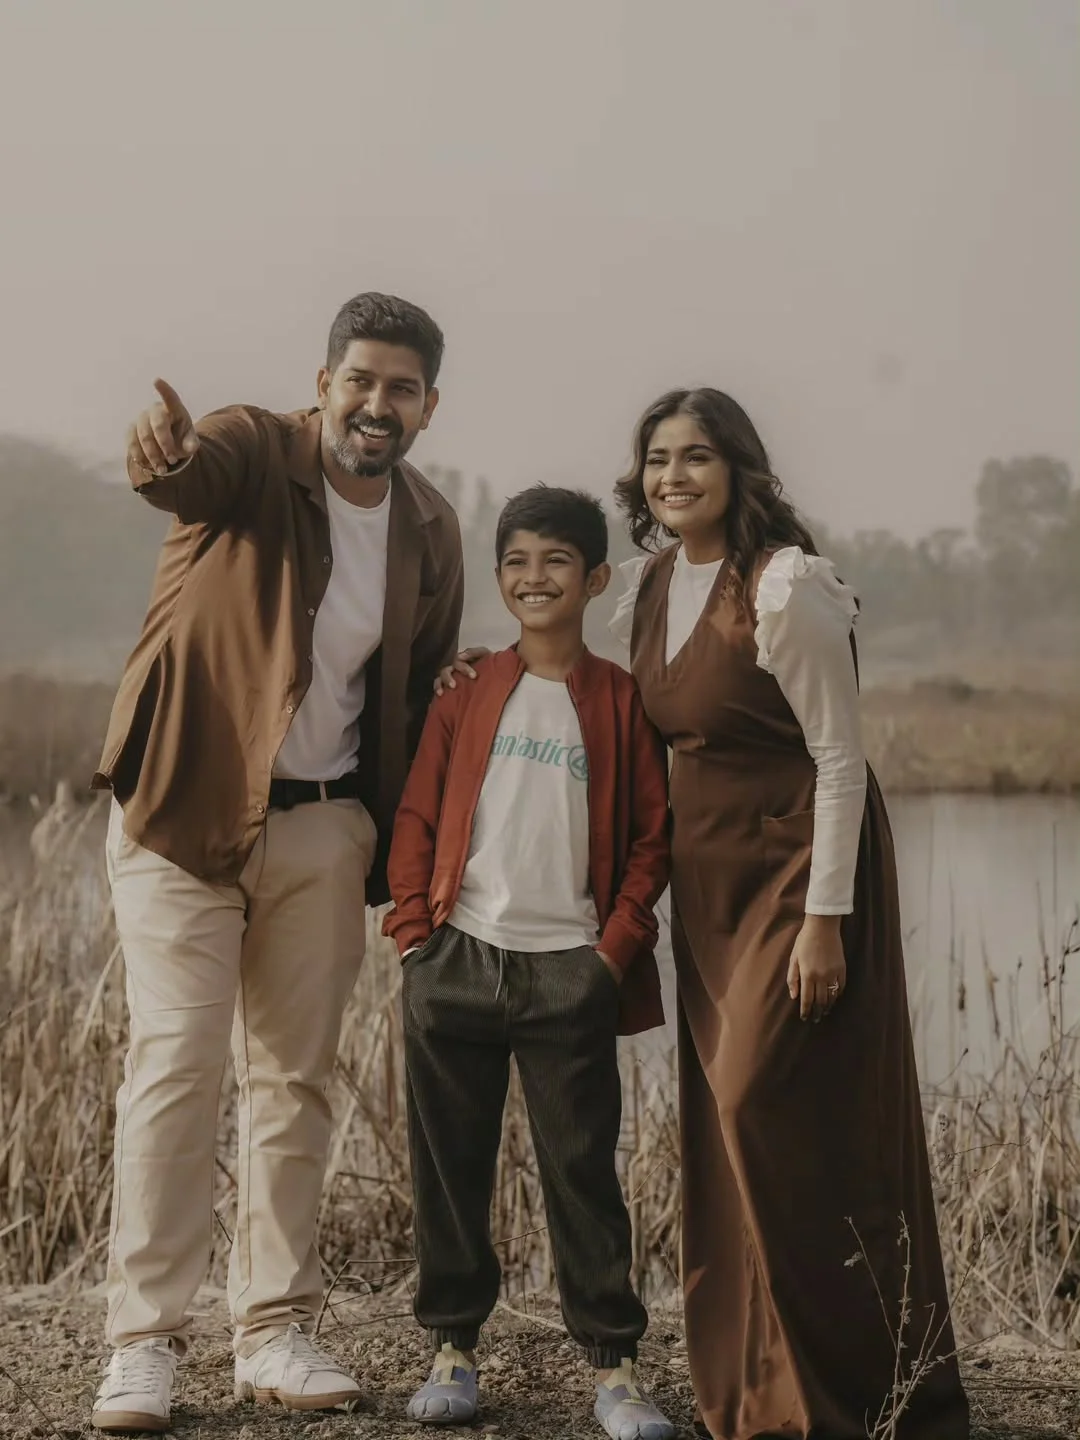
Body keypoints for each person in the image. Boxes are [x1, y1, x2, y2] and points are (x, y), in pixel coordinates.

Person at [89, 293, 464, 1434]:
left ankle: (273, 1331)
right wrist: (160, 450)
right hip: (183, 811)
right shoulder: (254, 450)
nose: (377, 404)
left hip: (323, 828)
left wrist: (400, 851)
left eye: (402, 388)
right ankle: (144, 1345)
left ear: (428, 407)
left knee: (293, 1083)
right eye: (361, 379)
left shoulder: (431, 532)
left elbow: (408, 700)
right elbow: (181, 473)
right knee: (178, 1062)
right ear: (325, 380)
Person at [606, 388, 969, 1440]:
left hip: (801, 871)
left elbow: (840, 759)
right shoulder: (643, 587)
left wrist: (825, 920)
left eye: (698, 457)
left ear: (740, 470)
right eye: (658, 458)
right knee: (727, 1128)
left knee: (760, 1105)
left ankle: (853, 1387)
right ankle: (756, 1384)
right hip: (709, 885)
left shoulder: (785, 586)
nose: (674, 474)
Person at [383, 486, 676, 1440]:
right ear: (499, 574)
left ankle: (617, 1369)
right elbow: (419, 814)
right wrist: (416, 940)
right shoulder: (468, 692)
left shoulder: (622, 700)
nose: (533, 577)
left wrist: (611, 955)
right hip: (457, 960)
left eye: (555, 561)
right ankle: (453, 1350)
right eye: (515, 560)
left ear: (592, 579)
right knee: (450, 1167)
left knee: (582, 1170)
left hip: (569, 972)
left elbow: (650, 842)